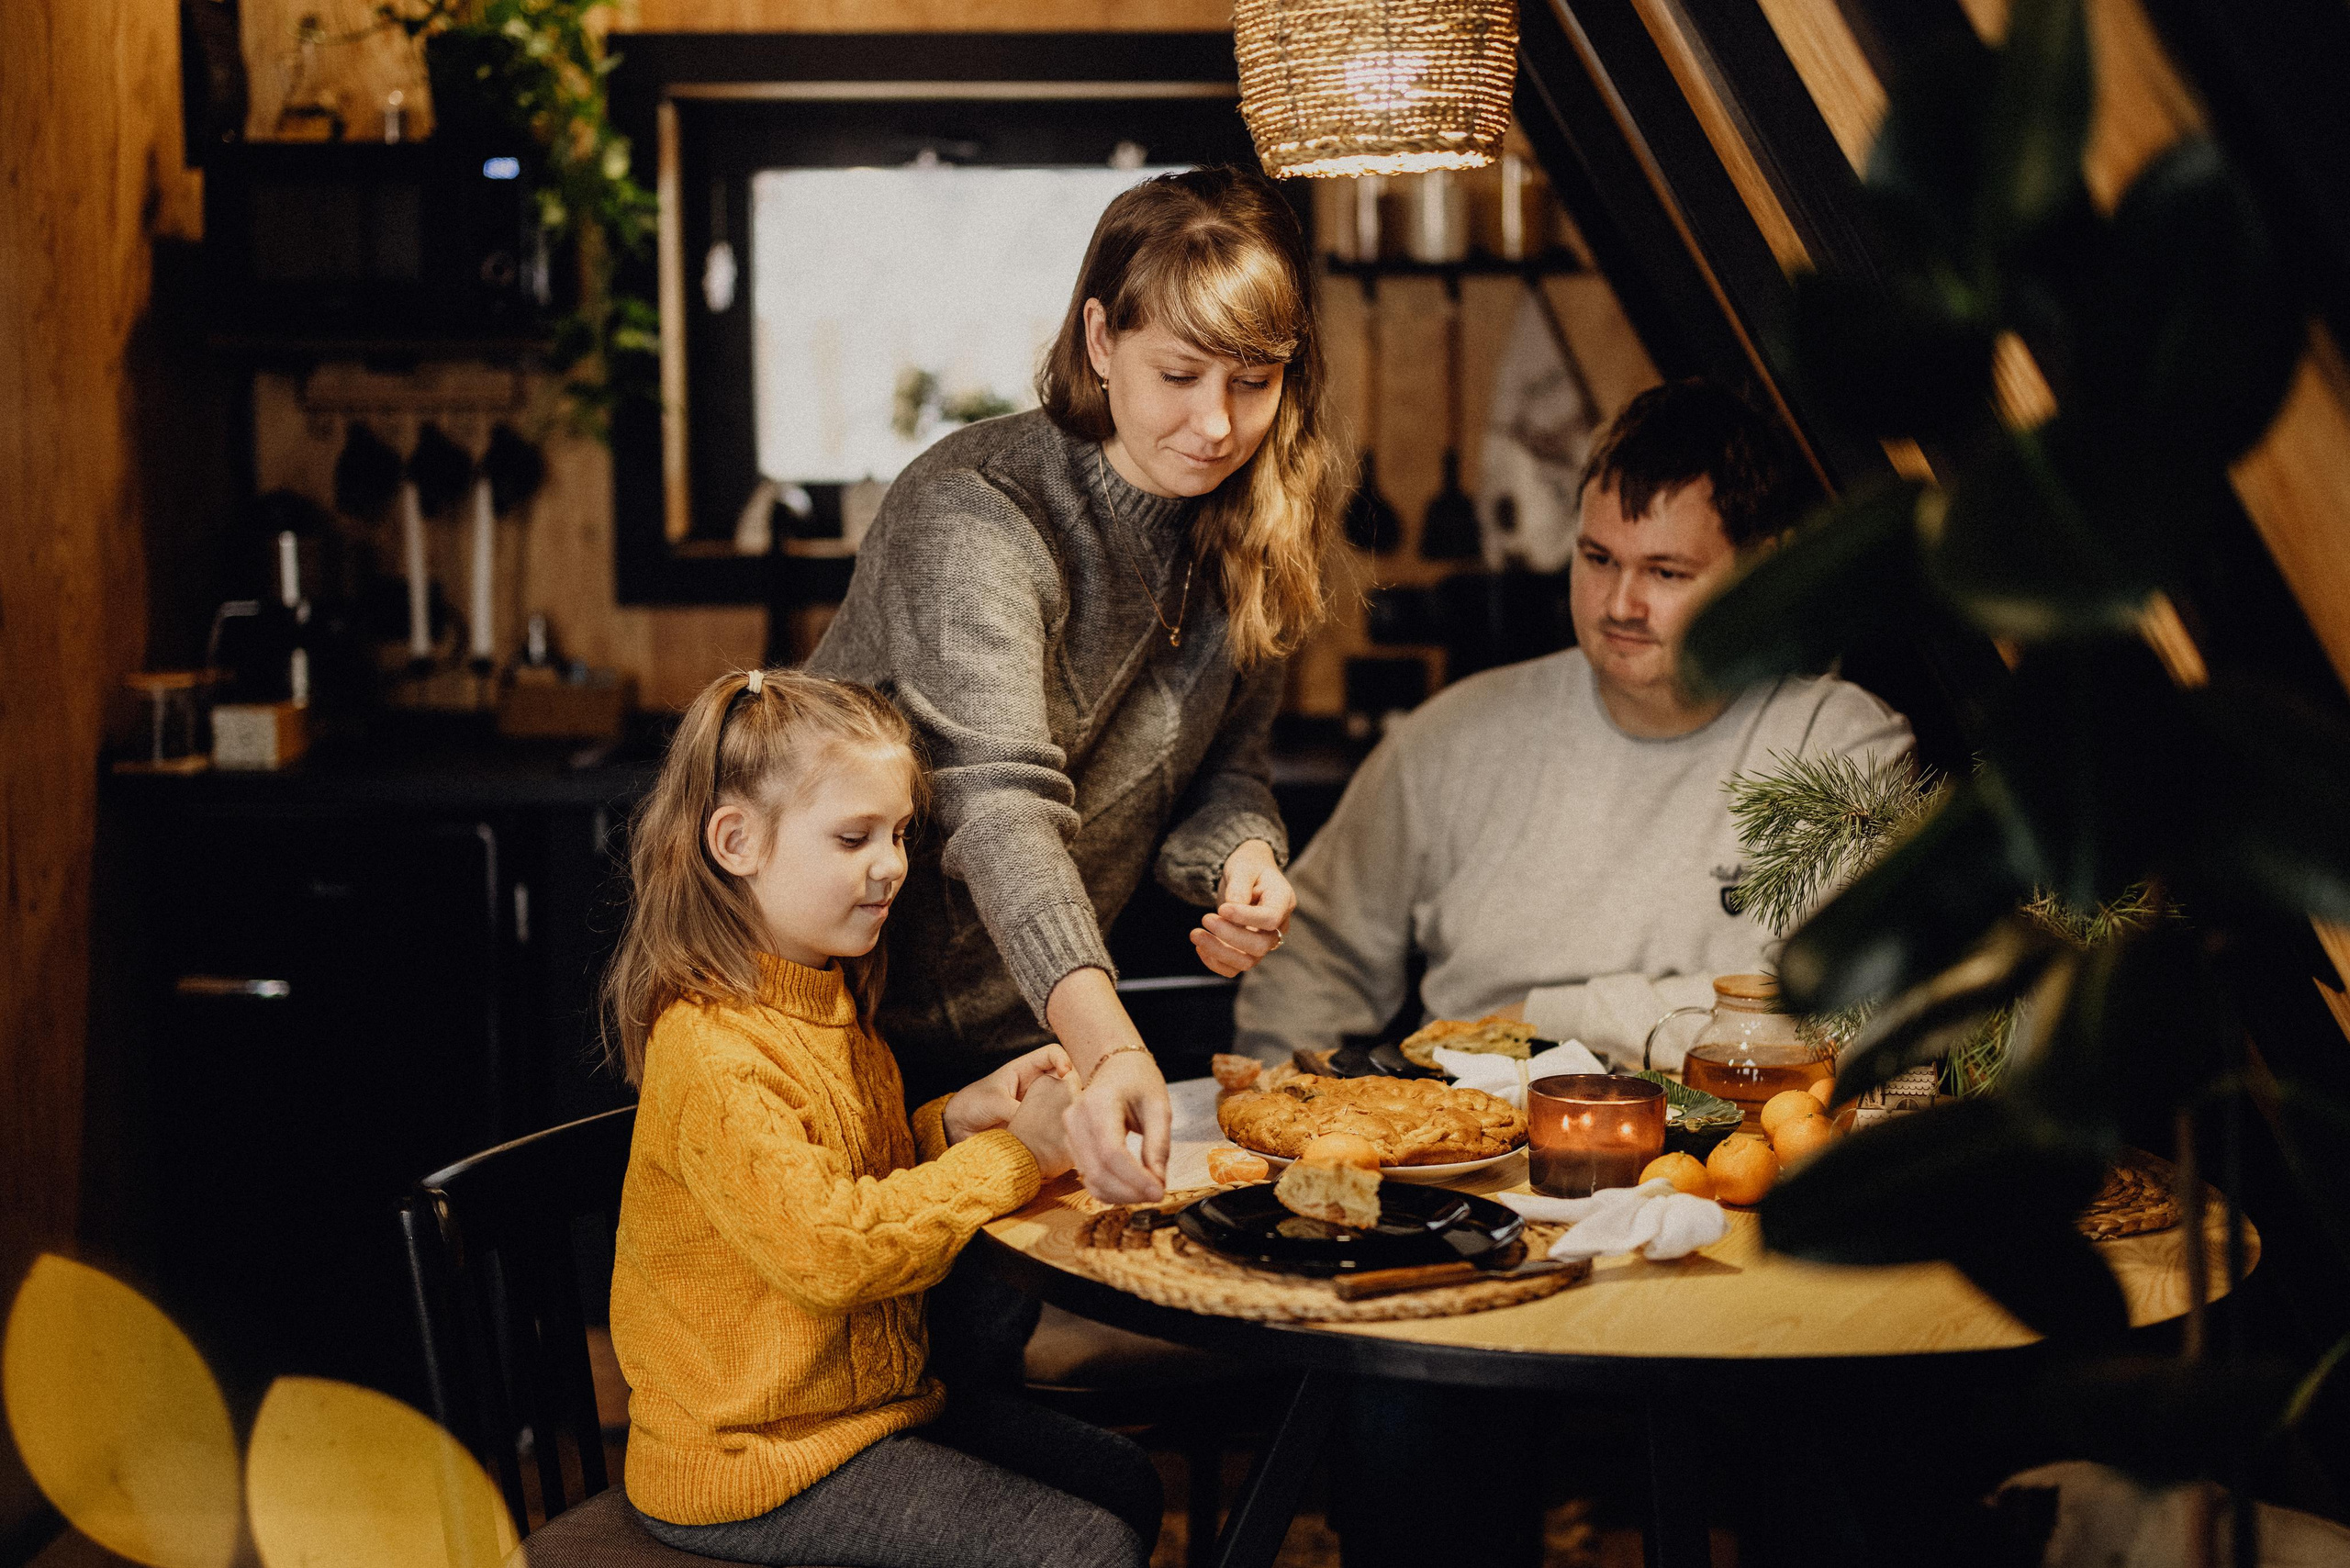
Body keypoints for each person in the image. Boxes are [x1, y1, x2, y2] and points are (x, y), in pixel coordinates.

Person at [809, 164, 1348, 1204]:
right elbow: (996, 808)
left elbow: (1222, 769)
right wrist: (1110, 1048)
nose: (1218, 426)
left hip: (1026, 1040)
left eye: (1254, 381)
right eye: (1180, 375)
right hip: (845, 1030)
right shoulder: (976, 511)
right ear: (1101, 340)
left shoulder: (1257, 527)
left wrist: (1241, 859)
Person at [602, 669, 1161, 1568]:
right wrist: (1019, 1155)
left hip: (871, 1412)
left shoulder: (828, 995)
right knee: (1081, 1550)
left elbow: (842, 1172)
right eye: (854, 836)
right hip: (754, 1467)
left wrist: (953, 1124)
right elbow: (829, 1249)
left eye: (899, 833)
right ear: (737, 841)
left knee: (1125, 1482)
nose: (893, 864)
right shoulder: (711, 1049)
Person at [1236, 377, 1915, 1072]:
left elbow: (1841, 1009)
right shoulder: (1454, 736)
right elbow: (1315, 954)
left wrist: (1549, 1018)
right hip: (1475, 1149)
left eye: (1667, 572)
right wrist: (1294, 1104)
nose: (1621, 602)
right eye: (1598, 559)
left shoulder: (1839, 748)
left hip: (1725, 1155)